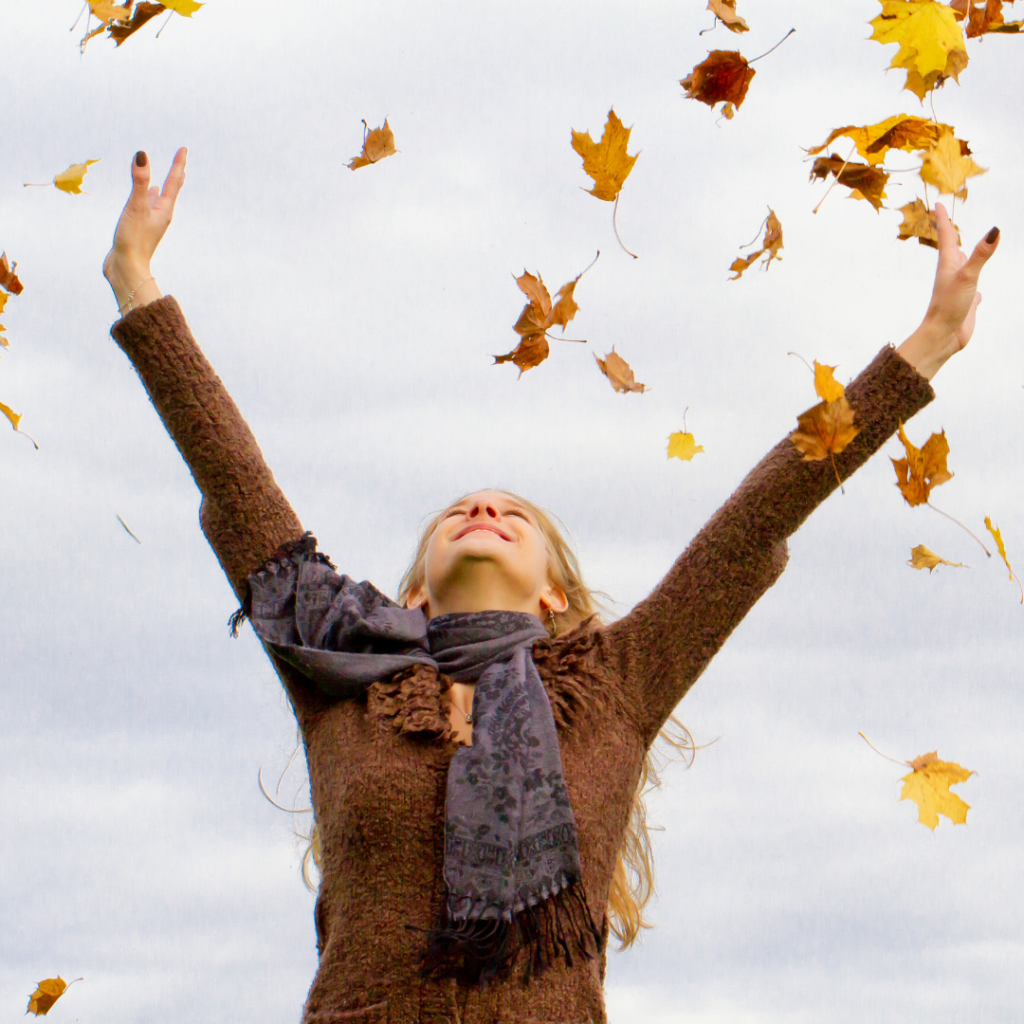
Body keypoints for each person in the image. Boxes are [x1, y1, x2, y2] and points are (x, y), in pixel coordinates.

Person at [104, 148, 999, 1024]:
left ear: (550, 597)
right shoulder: (338, 671)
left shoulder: (616, 683)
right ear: (413, 598)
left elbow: (757, 520)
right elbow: (236, 482)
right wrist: (134, 278)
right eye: (460, 510)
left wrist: (923, 348)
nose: (486, 505)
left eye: (512, 515)